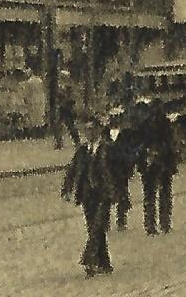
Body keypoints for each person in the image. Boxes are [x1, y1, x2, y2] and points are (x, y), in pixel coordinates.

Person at [61, 115, 116, 277]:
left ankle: (89, 261)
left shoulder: (108, 149)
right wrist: (67, 189)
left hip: (103, 193)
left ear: (99, 130)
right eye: (86, 130)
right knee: (94, 227)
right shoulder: (82, 151)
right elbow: (72, 171)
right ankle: (105, 262)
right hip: (87, 195)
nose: (89, 133)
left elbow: (119, 170)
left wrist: (115, 188)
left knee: (97, 226)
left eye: (92, 129)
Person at [135, 97, 178, 235]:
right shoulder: (162, 124)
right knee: (157, 194)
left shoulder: (150, 124)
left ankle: (156, 224)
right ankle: (157, 224)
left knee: (154, 194)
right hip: (154, 163)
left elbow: (170, 144)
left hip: (159, 162)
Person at [105, 105, 136, 231]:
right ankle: (105, 221)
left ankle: (121, 220)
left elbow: (129, 152)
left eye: (117, 118)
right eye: (113, 118)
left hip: (121, 169)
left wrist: (129, 168)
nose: (115, 120)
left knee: (122, 194)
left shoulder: (125, 135)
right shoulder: (105, 134)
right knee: (106, 195)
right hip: (107, 169)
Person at [54, 71, 79, 150]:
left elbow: (71, 98)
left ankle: (76, 141)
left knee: (70, 126)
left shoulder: (69, 87)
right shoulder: (61, 86)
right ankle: (59, 143)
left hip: (67, 109)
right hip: (62, 108)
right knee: (59, 125)